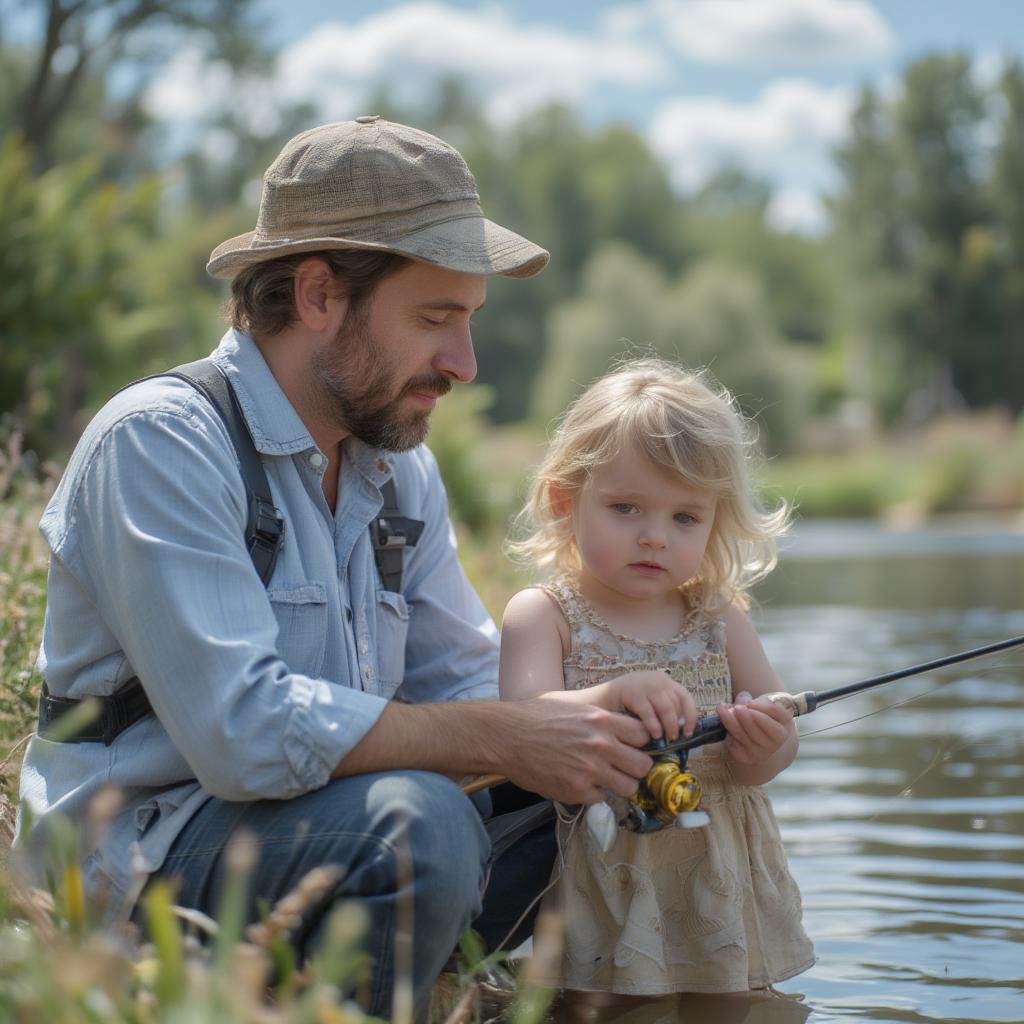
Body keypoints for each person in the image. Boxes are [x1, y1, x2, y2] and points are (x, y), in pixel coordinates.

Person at [14, 118, 665, 1021]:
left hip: (318, 825)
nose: (464, 364)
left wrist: (609, 714)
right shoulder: (160, 441)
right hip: (136, 861)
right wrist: (511, 736)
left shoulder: (401, 468)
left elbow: (467, 682)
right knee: (422, 826)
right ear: (318, 294)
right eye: (436, 319)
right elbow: (243, 730)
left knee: (600, 802)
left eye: (468, 322)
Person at [499, 357, 816, 997]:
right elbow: (524, 728)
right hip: (601, 871)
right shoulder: (544, 616)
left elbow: (771, 750)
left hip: (718, 876)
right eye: (625, 507)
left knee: (732, 1005)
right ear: (566, 502)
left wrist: (767, 743)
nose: (654, 537)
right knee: (603, 1008)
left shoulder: (719, 615)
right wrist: (608, 696)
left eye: (684, 518)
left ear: (714, 521)